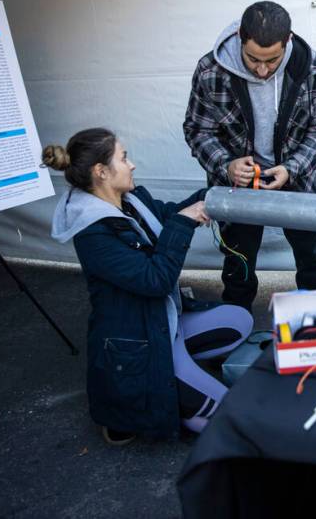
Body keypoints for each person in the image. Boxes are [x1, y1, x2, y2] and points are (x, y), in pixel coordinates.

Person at [43, 128, 253, 444]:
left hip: (162, 321)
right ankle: (134, 403)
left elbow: (169, 214)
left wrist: (212, 194)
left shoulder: (129, 200)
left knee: (240, 320)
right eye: (124, 158)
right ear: (101, 172)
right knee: (232, 422)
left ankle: (172, 370)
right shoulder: (93, 234)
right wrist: (185, 222)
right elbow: (155, 280)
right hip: (139, 341)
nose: (132, 165)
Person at [184, 1, 316, 310]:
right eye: (253, 59)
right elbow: (197, 129)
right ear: (241, 36)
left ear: (288, 41)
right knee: (238, 268)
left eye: (273, 60)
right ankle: (234, 328)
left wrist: (292, 168)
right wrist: (225, 165)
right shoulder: (210, 70)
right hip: (237, 185)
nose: (263, 69)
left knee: (312, 262)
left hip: (299, 179)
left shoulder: (313, 69)